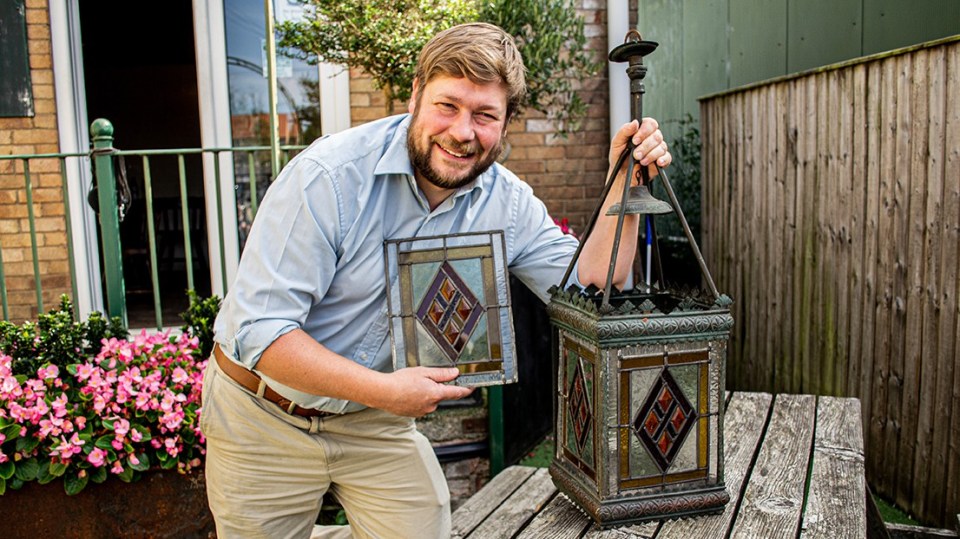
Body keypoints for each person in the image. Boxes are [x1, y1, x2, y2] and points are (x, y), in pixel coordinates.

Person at [202, 22, 672, 539]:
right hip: (264, 413)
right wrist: (384, 390)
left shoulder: (506, 202)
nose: (462, 131)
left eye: (485, 115)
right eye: (447, 106)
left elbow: (594, 287)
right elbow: (262, 333)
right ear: (415, 97)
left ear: (506, 124)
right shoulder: (329, 177)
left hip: (369, 421)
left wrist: (623, 185)